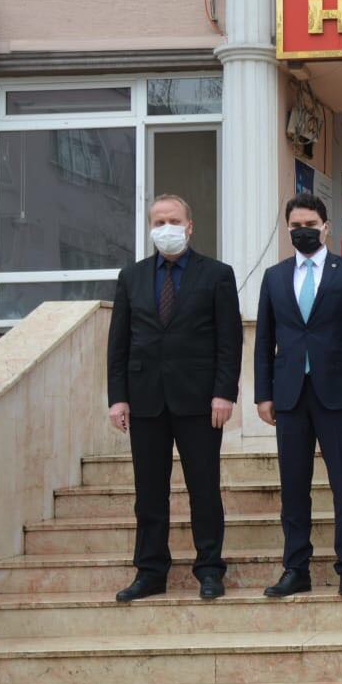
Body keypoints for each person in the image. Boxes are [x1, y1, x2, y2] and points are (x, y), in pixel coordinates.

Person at [106, 194, 241, 602]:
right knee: (149, 493)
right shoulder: (131, 277)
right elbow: (118, 342)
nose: (166, 228)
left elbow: (229, 341)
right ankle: (150, 572)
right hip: (145, 400)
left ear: (190, 226)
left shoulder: (217, 274)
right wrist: (117, 398)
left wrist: (224, 393)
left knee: (204, 488)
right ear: (150, 228)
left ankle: (210, 570)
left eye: (174, 221)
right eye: (158, 221)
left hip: (199, 401)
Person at [255, 193, 342, 597]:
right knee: (293, 486)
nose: (303, 231)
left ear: (326, 227)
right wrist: (263, 394)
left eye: (310, 224)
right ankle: (296, 568)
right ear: (287, 229)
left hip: (338, 394)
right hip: (289, 395)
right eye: (296, 226)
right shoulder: (275, 276)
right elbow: (264, 340)